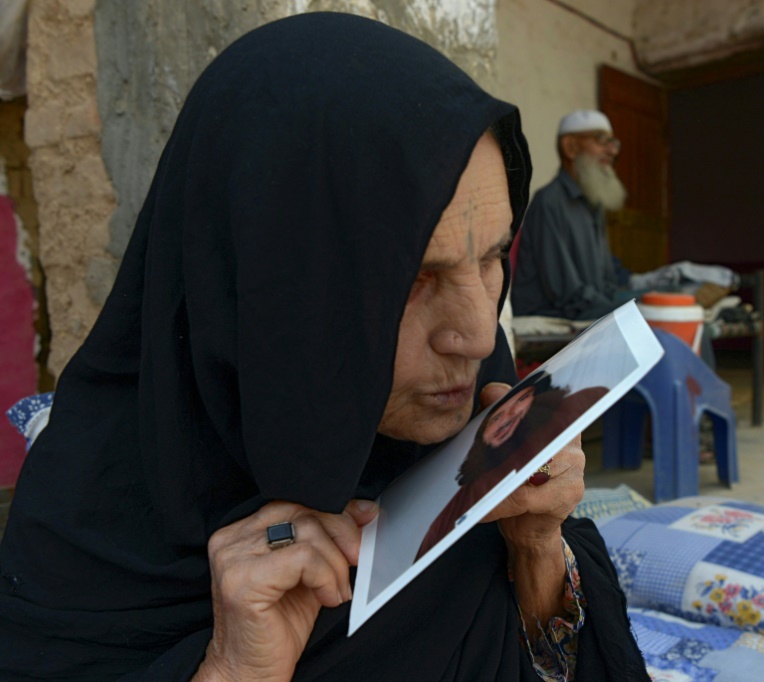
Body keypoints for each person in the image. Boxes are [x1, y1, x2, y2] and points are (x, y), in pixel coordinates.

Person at [0, 14, 649, 682]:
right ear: (259, 286)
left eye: (489, 258)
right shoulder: (82, 548)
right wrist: (231, 671)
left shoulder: (473, 449)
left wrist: (536, 548)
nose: (479, 334)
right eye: (411, 278)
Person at [510, 109, 739, 324]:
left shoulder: (592, 204)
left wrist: (658, 291)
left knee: (682, 304)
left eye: (614, 142)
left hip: (592, 303)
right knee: (668, 316)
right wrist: (632, 309)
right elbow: (567, 294)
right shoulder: (549, 202)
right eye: (601, 140)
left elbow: (608, 281)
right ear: (571, 147)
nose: (613, 151)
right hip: (558, 312)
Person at [417, 371, 608, 559]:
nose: (512, 413)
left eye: (523, 400)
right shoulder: (452, 498)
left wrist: (537, 542)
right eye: (497, 417)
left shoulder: (526, 475)